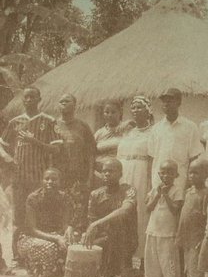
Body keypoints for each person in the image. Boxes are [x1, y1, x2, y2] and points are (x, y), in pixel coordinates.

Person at [0, 86, 61, 263]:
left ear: (39, 99)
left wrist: (34, 141)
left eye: (32, 97)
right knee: (18, 216)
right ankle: (18, 255)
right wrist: (9, 159)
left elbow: (56, 149)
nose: (28, 100)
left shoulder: (48, 121)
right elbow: (2, 145)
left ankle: (35, 255)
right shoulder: (15, 122)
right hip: (19, 179)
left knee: (37, 216)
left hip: (40, 179)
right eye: (25, 97)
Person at [83, 158, 137, 277]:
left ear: (120, 174)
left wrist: (96, 224)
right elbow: (91, 220)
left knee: (115, 232)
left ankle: (115, 274)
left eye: (111, 171)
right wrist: (89, 232)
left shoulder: (128, 190)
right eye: (104, 171)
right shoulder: (95, 194)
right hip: (103, 239)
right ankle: (107, 274)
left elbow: (125, 210)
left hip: (125, 239)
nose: (106, 174)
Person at [117, 95, 153, 269]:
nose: (135, 110)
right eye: (133, 107)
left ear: (148, 110)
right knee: (124, 212)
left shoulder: (154, 132)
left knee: (141, 214)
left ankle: (145, 262)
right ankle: (125, 261)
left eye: (139, 107)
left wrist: (151, 183)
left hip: (141, 175)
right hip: (124, 174)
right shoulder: (127, 132)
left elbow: (153, 158)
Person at [17, 168, 73, 277]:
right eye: (46, 179)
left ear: (60, 181)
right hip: (32, 237)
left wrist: (69, 228)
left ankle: (58, 269)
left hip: (56, 234)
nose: (50, 182)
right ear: (42, 180)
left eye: (54, 179)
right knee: (46, 247)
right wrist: (56, 239)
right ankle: (40, 270)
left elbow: (65, 224)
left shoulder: (65, 198)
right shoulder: (33, 198)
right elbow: (32, 230)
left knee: (74, 242)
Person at [55, 93, 96, 233]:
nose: (63, 104)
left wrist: (90, 177)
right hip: (59, 177)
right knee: (60, 209)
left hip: (79, 178)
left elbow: (91, 153)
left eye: (67, 101)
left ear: (75, 105)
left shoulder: (82, 126)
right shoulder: (53, 125)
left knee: (79, 211)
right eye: (61, 101)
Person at [148, 88, 202, 192]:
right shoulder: (156, 129)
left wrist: (189, 183)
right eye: (164, 101)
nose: (166, 104)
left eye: (170, 100)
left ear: (178, 102)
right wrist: (151, 183)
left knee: (177, 207)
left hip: (180, 181)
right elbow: (151, 158)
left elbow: (194, 158)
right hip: (158, 181)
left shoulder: (190, 127)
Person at [144, 160, 183, 277]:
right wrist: (157, 195)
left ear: (176, 175)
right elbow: (148, 208)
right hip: (153, 231)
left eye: (170, 173)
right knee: (153, 260)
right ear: (159, 174)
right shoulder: (155, 189)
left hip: (168, 233)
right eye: (163, 173)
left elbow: (175, 210)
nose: (166, 176)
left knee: (168, 260)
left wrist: (165, 195)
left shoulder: (178, 190)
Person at [176, 158, 208, 277]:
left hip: (197, 238)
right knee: (188, 268)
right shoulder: (188, 192)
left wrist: (203, 239)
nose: (191, 176)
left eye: (196, 173)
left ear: (206, 174)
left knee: (196, 269)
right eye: (190, 172)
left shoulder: (207, 194)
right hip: (186, 237)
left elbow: (206, 218)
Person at [94, 100, 134, 176]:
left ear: (120, 112)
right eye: (107, 112)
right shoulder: (99, 133)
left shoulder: (127, 128)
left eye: (113, 112)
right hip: (100, 172)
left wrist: (132, 123)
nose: (110, 115)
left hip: (120, 171)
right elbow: (91, 152)